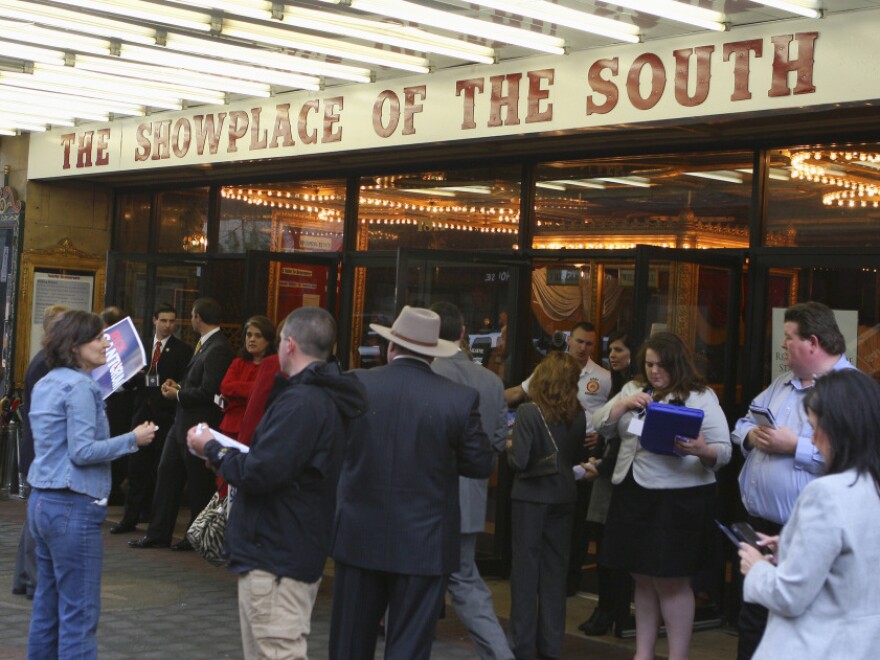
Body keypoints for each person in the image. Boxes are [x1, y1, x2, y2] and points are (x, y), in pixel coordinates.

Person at [188, 307, 367, 659]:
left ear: (289, 345)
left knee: (277, 651)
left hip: (277, 552)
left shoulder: (302, 402)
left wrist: (213, 448)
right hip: (286, 544)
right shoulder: (318, 397)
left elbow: (263, 471)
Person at [329, 306, 494, 660]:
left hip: (359, 536)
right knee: (409, 648)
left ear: (391, 348)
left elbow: (332, 446)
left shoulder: (357, 384)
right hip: (425, 543)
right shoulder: (458, 399)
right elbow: (480, 464)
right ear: (432, 354)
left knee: (348, 646)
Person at [26, 310, 156, 658]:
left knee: (46, 606)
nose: (106, 344)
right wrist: (133, 438)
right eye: (98, 338)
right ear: (75, 345)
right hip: (73, 505)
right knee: (79, 612)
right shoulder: (81, 386)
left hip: (42, 502)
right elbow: (83, 451)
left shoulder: (46, 382)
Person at [594, 331, 731, 660]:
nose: (654, 371)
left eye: (661, 365)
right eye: (649, 364)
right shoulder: (633, 389)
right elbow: (599, 424)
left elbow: (724, 452)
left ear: (678, 364)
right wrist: (624, 404)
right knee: (640, 576)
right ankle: (643, 653)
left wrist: (701, 449)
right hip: (633, 491)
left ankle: (677, 655)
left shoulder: (700, 396)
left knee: (671, 580)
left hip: (677, 499)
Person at [731, 301, 854, 660]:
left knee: (795, 622)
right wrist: (753, 438)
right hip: (761, 528)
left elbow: (854, 458)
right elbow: (742, 426)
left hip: (807, 532)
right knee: (753, 617)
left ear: (812, 342)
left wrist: (794, 446)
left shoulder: (848, 390)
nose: (783, 345)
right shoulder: (782, 384)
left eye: (788, 338)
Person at [738, 369, 880, 660]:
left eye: (814, 428)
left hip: (817, 646)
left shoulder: (826, 493)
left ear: (839, 428)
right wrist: (791, 546)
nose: (812, 440)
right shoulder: (871, 486)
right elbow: (853, 563)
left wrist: (756, 568)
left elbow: (789, 596)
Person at [429, 301, 513, 660]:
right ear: (463, 333)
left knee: (413, 576)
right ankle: (498, 653)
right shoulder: (491, 382)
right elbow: (496, 443)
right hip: (470, 497)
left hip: (427, 495)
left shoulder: (424, 373)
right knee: (465, 579)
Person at [506, 322, 612, 596]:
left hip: (573, 456)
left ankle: (568, 583)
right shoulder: (548, 374)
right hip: (554, 463)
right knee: (547, 557)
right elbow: (518, 392)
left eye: (589, 344)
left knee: (565, 537)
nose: (583, 348)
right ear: (569, 340)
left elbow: (518, 460)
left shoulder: (603, 377)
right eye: (579, 342)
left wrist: (601, 439)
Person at [129, 297, 234, 550]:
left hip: (198, 423)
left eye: (191, 316)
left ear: (198, 317)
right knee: (166, 475)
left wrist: (177, 394)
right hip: (181, 422)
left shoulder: (218, 347)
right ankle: (158, 533)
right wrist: (179, 387)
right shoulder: (204, 344)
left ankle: (194, 537)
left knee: (197, 482)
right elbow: (197, 384)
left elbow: (210, 391)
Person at [507, 351, 589, 659]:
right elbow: (575, 453)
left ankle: (521, 645)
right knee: (555, 574)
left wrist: (509, 445)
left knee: (525, 574)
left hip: (530, 498)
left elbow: (521, 461)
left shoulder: (529, 412)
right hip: (564, 496)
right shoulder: (578, 414)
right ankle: (552, 646)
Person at [111, 303, 192, 534]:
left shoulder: (182, 350)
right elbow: (126, 381)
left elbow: (178, 381)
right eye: (164, 320)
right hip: (141, 414)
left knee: (160, 472)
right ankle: (130, 518)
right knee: (136, 468)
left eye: (172, 321)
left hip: (165, 416)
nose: (168, 325)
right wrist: (134, 377)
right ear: (154, 320)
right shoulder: (142, 347)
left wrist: (154, 382)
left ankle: (156, 521)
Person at [579, 329, 635, 636]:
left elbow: (627, 438)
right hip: (605, 468)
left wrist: (601, 464)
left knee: (612, 549)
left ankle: (612, 611)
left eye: (619, 349)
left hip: (616, 474)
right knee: (603, 544)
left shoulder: (635, 387)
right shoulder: (619, 385)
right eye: (610, 350)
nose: (612, 355)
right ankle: (608, 609)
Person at [12, 303, 68, 600]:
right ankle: (34, 579)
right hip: (41, 453)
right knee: (37, 521)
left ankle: (24, 576)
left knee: (33, 520)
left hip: (39, 452)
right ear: (51, 330)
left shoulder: (46, 361)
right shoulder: (44, 363)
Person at [218, 315, 276, 441]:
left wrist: (237, 392)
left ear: (268, 340)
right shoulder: (238, 362)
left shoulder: (274, 366)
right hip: (231, 426)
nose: (252, 339)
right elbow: (225, 387)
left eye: (258, 336)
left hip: (259, 427)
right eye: (249, 335)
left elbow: (267, 394)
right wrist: (254, 389)